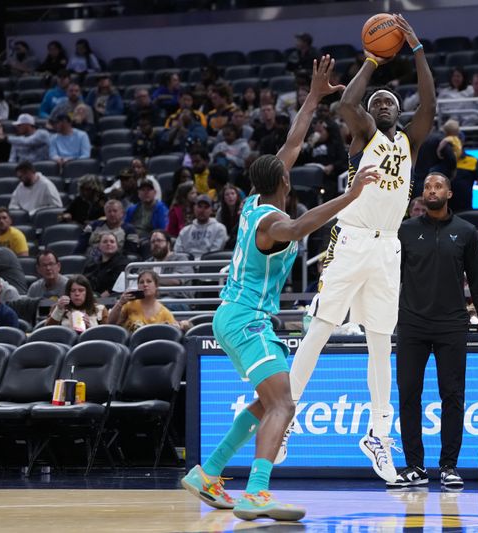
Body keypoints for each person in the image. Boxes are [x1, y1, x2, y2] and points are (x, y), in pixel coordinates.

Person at [180, 55, 379, 520]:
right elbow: (302, 225)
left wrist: (313, 97)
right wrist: (350, 195)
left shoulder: (253, 200)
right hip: (247, 320)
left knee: (267, 400)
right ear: (285, 179)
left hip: (233, 316)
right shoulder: (272, 221)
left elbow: (291, 142)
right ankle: (257, 492)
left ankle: (207, 472)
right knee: (284, 404)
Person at [282, 16, 436, 485]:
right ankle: (284, 416)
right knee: (322, 328)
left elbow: (428, 101)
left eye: (391, 101)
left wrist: (416, 49)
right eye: (379, 102)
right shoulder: (363, 136)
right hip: (351, 239)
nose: (385, 104)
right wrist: (372, 61)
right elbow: (348, 102)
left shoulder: (409, 141)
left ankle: (377, 434)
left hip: (388, 250)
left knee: (380, 345)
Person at [388, 173, 478, 489]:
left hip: (452, 324)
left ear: (449, 193)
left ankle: (449, 466)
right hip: (411, 324)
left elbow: (477, 282)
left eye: (437, 186)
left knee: (452, 397)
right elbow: (390, 278)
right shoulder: (406, 230)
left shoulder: (465, 232)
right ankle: (415, 467)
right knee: (409, 395)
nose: (431, 190)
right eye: (427, 187)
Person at [108, 270, 185, 332]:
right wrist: (120, 303)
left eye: (149, 281)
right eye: (141, 282)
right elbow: (110, 323)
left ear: (156, 286)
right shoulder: (129, 304)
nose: (145, 284)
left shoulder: (165, 313)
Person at [75, 199, 140, 258]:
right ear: (105, 213)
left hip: (116, 262)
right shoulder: (93, 226)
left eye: (115, 211)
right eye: (109, 211)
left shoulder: (130, 230)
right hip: (90, 261)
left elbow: (131, 253)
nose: (112, 214)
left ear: (122, 213)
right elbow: (80, 247)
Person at [173, 195, 228, 259]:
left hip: (208, 265)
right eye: (199, 206)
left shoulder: (220, 229)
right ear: (194, 208)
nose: (202, 210)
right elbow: (178, 251)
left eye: (206, 207)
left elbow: (214, 253)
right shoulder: (185, 231)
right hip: (185, 265)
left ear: (211, 210)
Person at [145, 230, 193, 303]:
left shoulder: (180, 259)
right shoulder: (147, 263)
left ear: (168, 244)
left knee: (162, 304)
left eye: (159, 240)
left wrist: (150, 280)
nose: (156, 244)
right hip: (151, 300)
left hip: (177, 299)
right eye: (153, 242)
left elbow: (175, 280)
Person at [81, 232, 129, 296]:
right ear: (99, 246)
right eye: (105, 242)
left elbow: (117, 287)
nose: (108, 244)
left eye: (112, 242)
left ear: (117, 245)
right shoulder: (91, 265)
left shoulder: (123, 263)